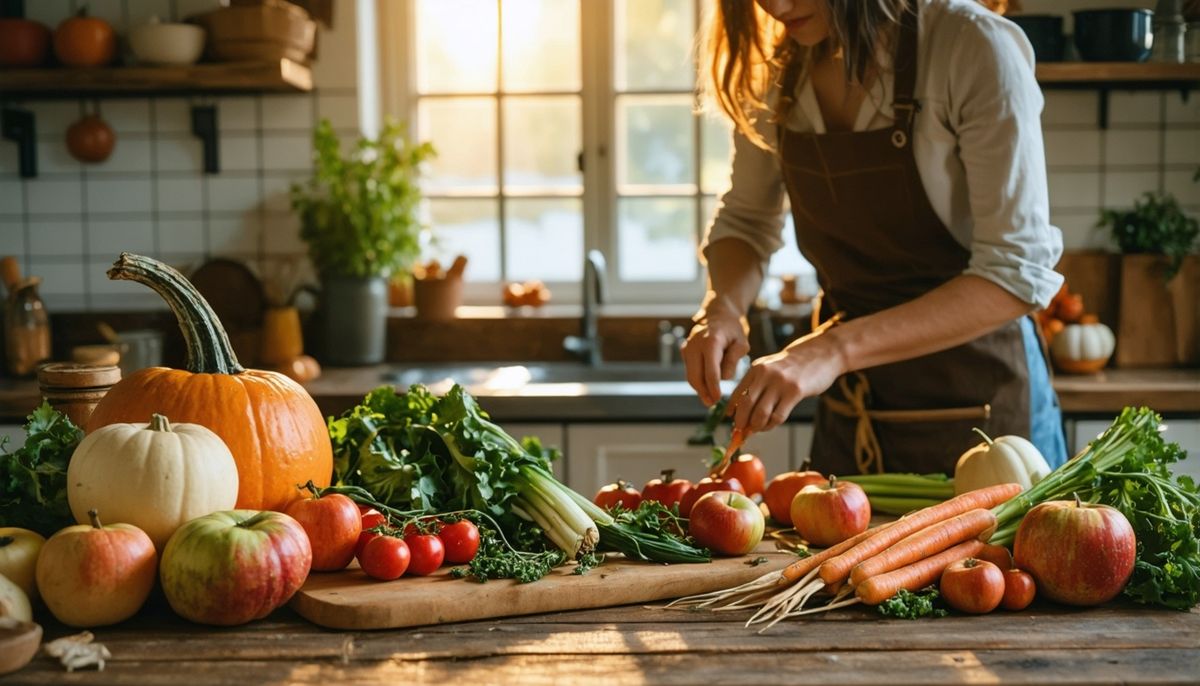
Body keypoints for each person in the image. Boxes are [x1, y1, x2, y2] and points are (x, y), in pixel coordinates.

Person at [682, 0, 1068, 476]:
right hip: (853, 412)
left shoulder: (971, 46)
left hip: (985, 413)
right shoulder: (777, 71)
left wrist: (831, 350)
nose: (776, 7)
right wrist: (723, 308)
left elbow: (1013, 275)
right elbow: (746, 221)